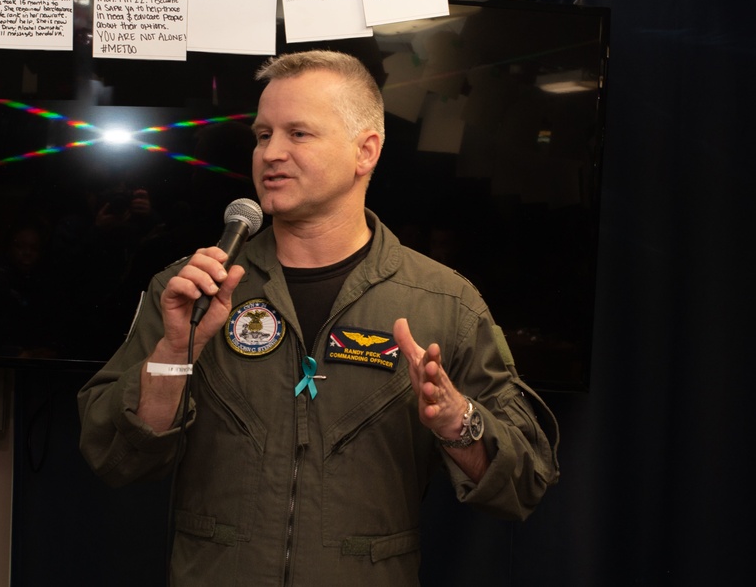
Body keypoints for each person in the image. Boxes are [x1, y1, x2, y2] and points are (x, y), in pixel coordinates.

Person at [77, 50, 560, 586]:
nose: (270, 154)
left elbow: (526, 484)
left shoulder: (444, 302)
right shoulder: (190, 290)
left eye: (298, 134)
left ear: (365, 151)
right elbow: (115, 458)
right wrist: (172, 354)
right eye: (262, 136)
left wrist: (457, 421)